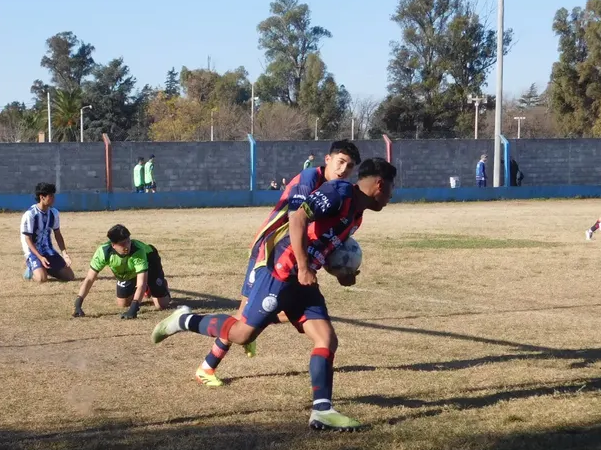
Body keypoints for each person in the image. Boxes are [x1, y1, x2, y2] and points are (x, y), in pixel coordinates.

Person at [152, 158, 396, 432]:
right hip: (282, 272)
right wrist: (302, 266)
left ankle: (322, 410)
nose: (390, 197)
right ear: (379, 184)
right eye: (390, 190)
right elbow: (298, 217)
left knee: (326, 339)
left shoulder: (356, 215)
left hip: (304, 281)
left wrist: (340, 273)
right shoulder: (339, 192)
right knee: (243, 333)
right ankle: (182, 321)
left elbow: (322, 244)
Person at [230, 139, 361, 368]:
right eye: (340, 162)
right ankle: (208, 363)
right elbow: (296, 218)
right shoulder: (310, 177)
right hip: (270, 249)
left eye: (349, 166)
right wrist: (303, 265)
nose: (343, 170)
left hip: (292, 257)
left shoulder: (339, 191)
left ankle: (254, 325)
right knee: (242, 317)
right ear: (328, 159)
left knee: (254, 315)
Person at [72, 224, 172, 319]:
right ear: (113, 245)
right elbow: (89, 279)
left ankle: (162, 285)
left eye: (128, 241)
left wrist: (134, 309)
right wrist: (78, 304)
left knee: (161, 305)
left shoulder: (138, 250)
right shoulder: (103, 252)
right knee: (123, 304)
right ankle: (145, 290)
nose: (127, 246)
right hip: (129, 270)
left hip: (150, 262)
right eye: (123, 243)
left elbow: (141, 283)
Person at [21, 182, 74, 282]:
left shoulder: (54, 213)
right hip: (33, 252)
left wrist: (65, 254)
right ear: (42, 197)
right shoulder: (30, 215)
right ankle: (32, 270)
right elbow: (28, 239)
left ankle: (44, 268)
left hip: (48, 250)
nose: (53, 198)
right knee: (41, 279)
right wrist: (40, 257)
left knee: (69, 276)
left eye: (53, 195)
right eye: (51, 196)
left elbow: (57, 234)